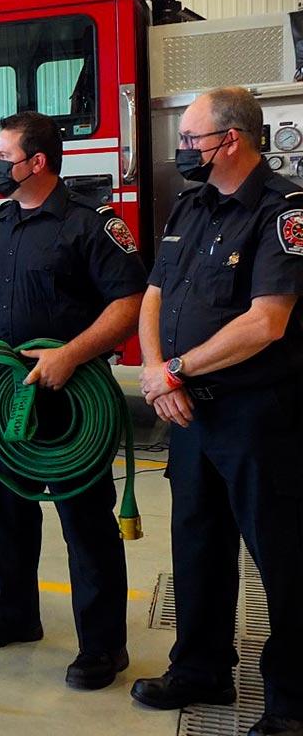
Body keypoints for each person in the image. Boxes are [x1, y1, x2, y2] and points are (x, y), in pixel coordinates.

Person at [0, 111, 145, 689]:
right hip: (5, 397)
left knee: (85, 524)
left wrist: (69, 354)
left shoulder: (92, 225)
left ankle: (102, 646)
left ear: (37, 162)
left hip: (70, 397)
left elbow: (129, 302)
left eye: (2, 155)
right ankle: (14, 614)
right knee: (5, 512)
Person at [130, 87, 303, 736]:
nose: (182, 150)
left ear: (230, 140)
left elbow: (266, 322)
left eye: (191, 139)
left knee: (282, 557)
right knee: (197, 546)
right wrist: (157, 375)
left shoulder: (283, 209)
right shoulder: (193, 204)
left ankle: (291, 699)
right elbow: (154, 294)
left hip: (258, 416)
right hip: (188, 414)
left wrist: (177, 368)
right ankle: (200, 667)